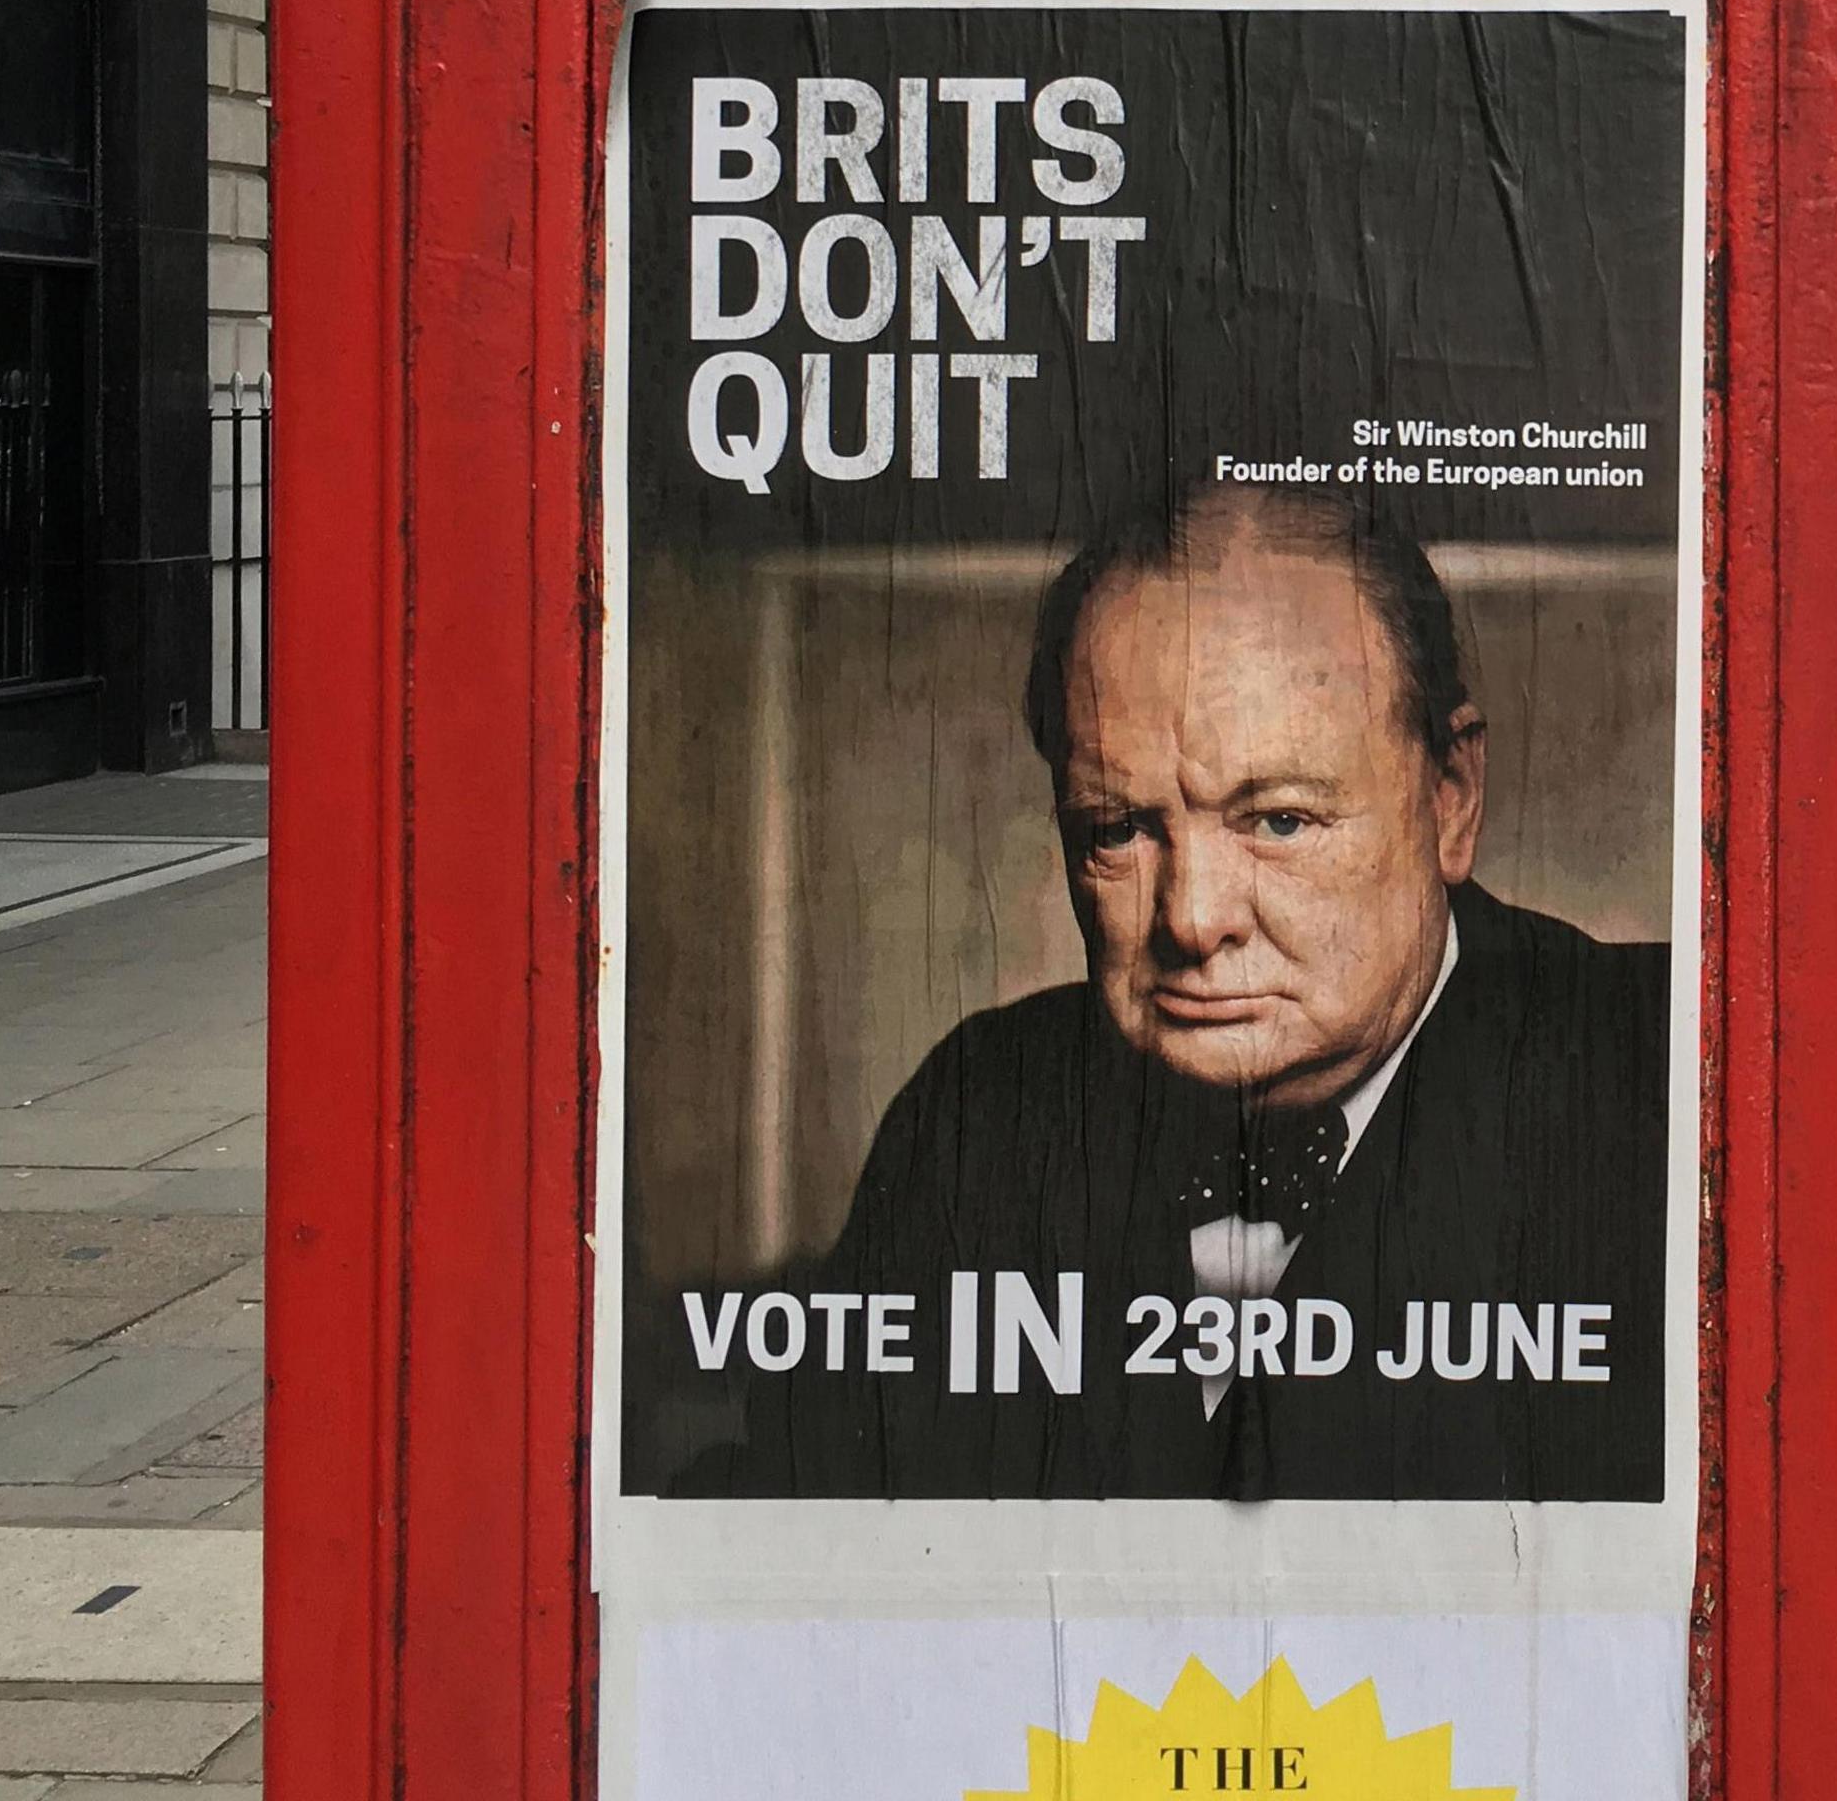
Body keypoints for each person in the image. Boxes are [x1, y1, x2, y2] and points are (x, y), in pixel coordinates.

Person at [652, 484, 1670, 1503]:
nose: (1190, 918)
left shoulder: (1669, 1080)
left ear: (1451, 797)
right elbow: (803, 1519)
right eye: (1118, 831)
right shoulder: (978, 1113)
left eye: (1278, 821)